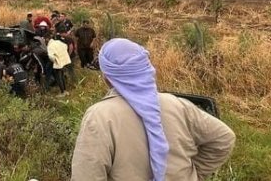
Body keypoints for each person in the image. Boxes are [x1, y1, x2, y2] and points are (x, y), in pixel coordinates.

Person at [71, 38, 236, 181]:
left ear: (107, 77)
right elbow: (224, 138)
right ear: (146, 69)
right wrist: (193, 175)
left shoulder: (100, 116)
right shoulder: (177, 104)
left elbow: (87, 175)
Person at [47, 29, 71, 97]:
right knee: (62, 76)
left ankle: (62, 92)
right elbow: (65, 46)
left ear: (47, 39)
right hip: (63, 61)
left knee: (58, 77)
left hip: (58, 62)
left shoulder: (50, 46)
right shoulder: (58, 42)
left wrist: (55, 60)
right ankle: (65, 91)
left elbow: (50, 56)